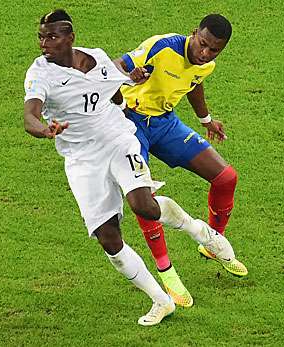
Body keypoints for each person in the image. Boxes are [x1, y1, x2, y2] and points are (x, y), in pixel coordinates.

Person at [23, 9, 243, 324]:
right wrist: (43, 129)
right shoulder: (39, 74)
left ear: (70, 37)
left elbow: (114, 90)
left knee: (145, 206)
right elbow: (30, 114)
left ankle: (201, 232)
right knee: (107, 238)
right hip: (82, 160)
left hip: (117, 140)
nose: (45, 43)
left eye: (52, 36)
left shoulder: (96, 58)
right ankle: (161, 301)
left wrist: (130, 84)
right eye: (42, 36)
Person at [113, 14, 248, 306]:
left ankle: (213, 242)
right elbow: (114, 67)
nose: (205, 54)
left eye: (214, 50)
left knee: (227, 177)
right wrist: (128, 77)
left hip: (165, 123)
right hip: (129, 122)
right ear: (193, 33)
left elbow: (194, 83)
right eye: (203, 45)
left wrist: (206, 120)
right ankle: (167, 274)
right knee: (144, 198)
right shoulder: (161, 47)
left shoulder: (206, 64)